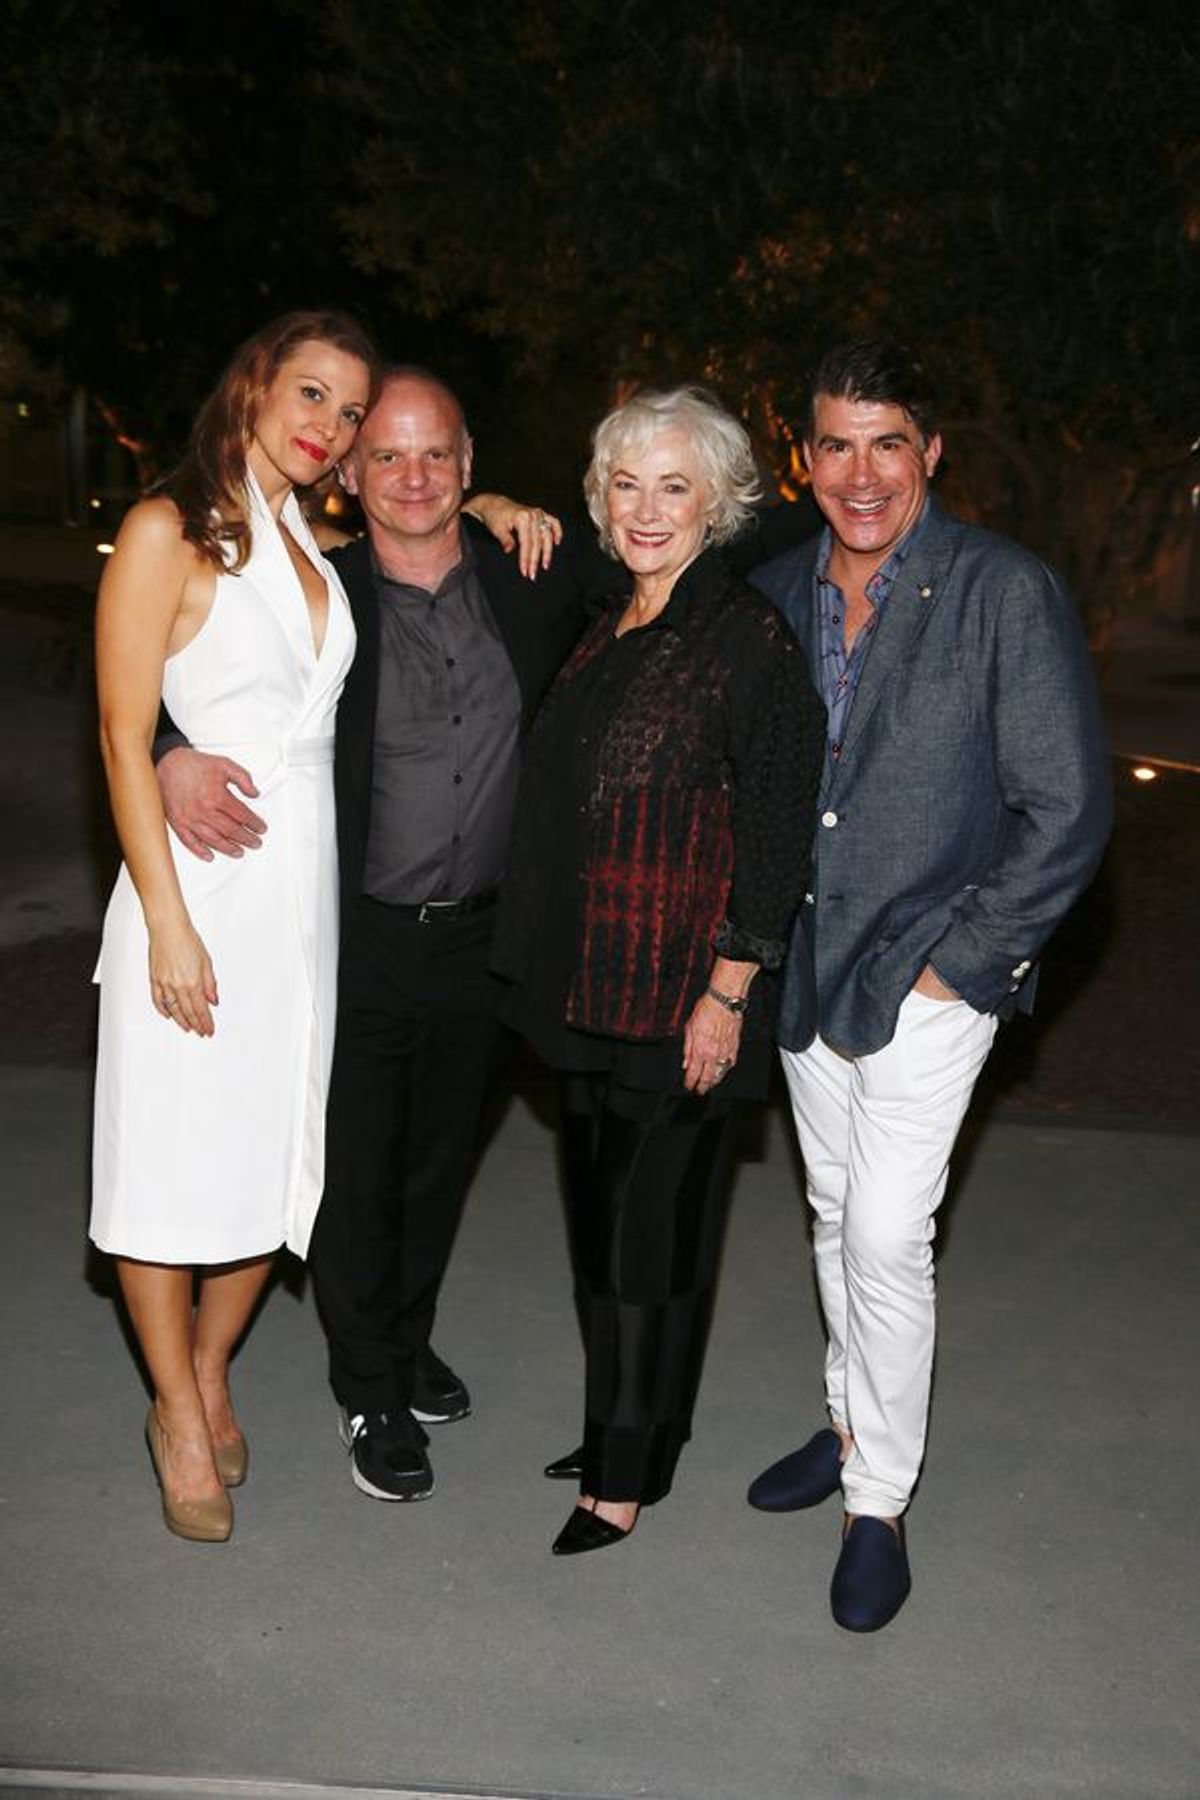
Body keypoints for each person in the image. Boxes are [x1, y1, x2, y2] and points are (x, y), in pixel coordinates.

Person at [158, 366, 597, 1503]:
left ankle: (404, 1340)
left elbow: (668, 570)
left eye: (436, 456)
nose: (412, 477)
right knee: (354, 1168)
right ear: (349, 474)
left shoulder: (530, 578)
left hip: (487, 936)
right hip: (350, 931)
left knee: (440, 1160)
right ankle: (368, 1385)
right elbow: (194, 664)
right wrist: (168, 753)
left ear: (469, 465)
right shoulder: (316, 591)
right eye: (386, 455)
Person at [745, 341, 1112, 1629]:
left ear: (930, 453)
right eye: (835, 444)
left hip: (929, 976)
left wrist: (966, 964)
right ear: (803, 458)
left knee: (893, 1236)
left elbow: (1066, 806)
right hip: (805, 972)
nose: (860, 473)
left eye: (886, 442)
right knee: (836, 1215)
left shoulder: (1000, 590)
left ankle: (880, 1503)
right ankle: (848, 1425)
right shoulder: (779, 590)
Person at [490, 386, 827, 1555]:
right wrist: (487, 495)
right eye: (625, 484)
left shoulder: (747, 639)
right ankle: (628, 1427)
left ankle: (624, 1476)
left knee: (652, 1245)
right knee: (601, 1232)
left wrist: (732, 989)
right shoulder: (611, 620)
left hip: (685, 1001)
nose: (646, 509)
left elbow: (781, 829)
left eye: (673, 486)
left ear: (718, 502)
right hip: (589, 991)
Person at [91, 310, 381, 1541]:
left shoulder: (315, 547)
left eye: (352, 411)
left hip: (299, 914)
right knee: (166, 1162)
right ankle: (171, 1404)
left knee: (274, 1164)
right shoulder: (168, 530)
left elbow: (428, 515)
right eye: (312, 395)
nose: (332, 428)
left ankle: (215, 1368)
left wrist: (491, 504)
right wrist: (165, 924)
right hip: (197, 900)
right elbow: (118, 731)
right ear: (253, 384)